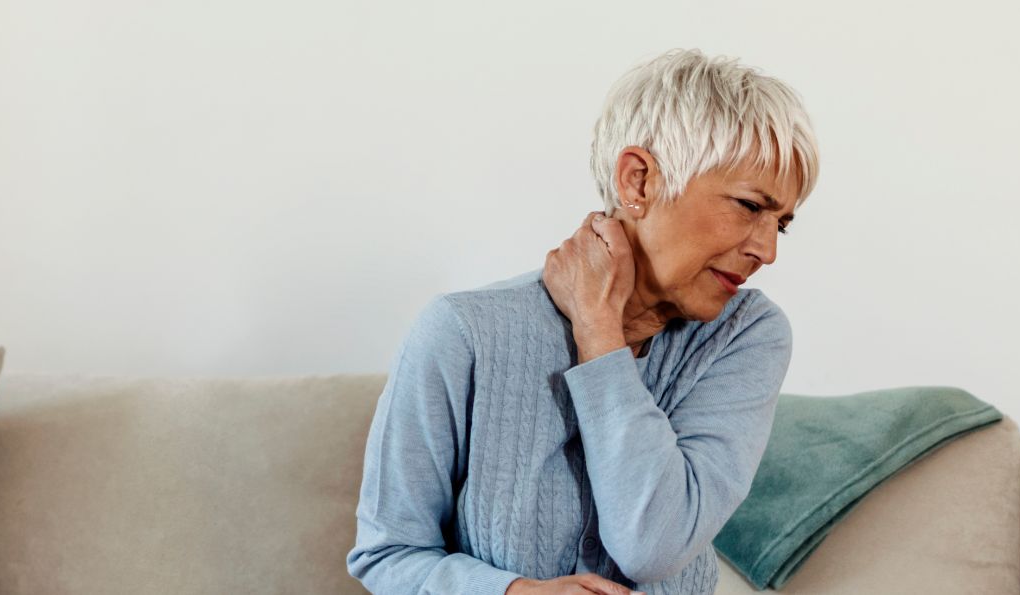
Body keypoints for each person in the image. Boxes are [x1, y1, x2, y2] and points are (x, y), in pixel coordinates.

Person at [347, 49, 819, 595]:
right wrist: (514, 593)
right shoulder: (464, 332)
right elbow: (388, 553)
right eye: (749, 206)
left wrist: (599, 331)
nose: (767, 250)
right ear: (638, 182)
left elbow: (653, 543)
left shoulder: (747, 336)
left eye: (782, 224)